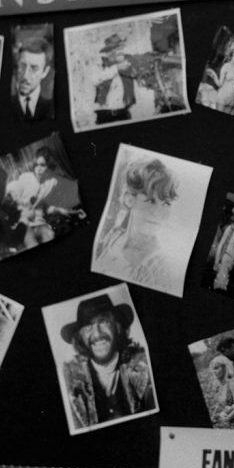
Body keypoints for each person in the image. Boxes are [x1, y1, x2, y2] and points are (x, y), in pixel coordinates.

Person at [60, 294, 155, 428]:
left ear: (117, 327)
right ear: (80, 336)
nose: (97, 333)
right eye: (88, 326)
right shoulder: (69, 384)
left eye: (104, 322)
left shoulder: (147, 369)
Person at [93, 157, 181, 292]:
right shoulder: (115, 235)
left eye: (166, 203)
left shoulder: (158, 269)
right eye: (151, 201)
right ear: (129, 200)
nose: (157, 213)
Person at [93, 34, 137, 124]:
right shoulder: (99, 66)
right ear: (108, 52)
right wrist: (117, 68)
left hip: (123, 114)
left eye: (119, 48)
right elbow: (95, 79)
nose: (118, 52)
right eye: (113, 49)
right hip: (104, 115)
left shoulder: (127, 63)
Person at [11, 38, 54, 121]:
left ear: (45, 72)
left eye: (34, 68)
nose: (25, 76)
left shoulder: (51, 106)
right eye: (22, 66)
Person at [203, 36, 234, 114]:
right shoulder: (222, 62)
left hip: (230, 98)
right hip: (218, 94)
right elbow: (218, 83)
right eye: (233, 45)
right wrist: (213, 75)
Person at [208, 355, 234, 429]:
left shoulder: (232, 383)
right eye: (213, 369)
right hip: (231, 423)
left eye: (216, 368)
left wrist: (225, 419)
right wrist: (217, 416)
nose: (214, 371)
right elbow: (223, 406)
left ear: (224, 368)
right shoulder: (220, 386)